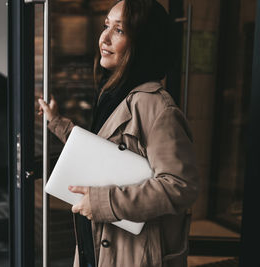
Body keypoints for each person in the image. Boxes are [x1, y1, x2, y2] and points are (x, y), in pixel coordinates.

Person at [38, 0, 199, 266]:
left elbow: (181, 186)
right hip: (102, 241)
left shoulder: (156, 106)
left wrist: (104, 203)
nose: (104, 38)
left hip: (133, 252)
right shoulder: (115, 93)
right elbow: (105, 151)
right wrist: (57, 122)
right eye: (106, 26)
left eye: (120, 30)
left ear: (144, 42)